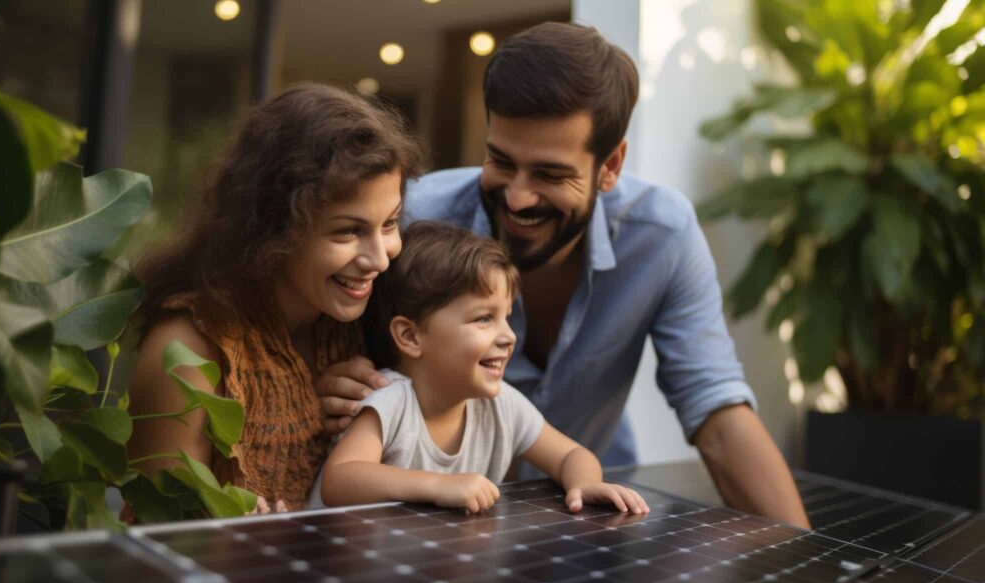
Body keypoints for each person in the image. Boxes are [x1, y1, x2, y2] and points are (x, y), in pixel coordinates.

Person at [316, 23, 810, 528]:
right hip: (424, 528)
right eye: (501, 161)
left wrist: (809, 560)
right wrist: (328, 374)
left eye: (551, 175)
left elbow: (718, 414)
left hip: (582, 524)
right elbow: (318, 339)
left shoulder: (662, 235)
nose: (517, 197)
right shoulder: (410, 222)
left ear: (610, 165)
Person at [127, 83, 421, 514]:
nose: (380, 258)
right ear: (275, 229)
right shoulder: (187, 352)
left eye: (390, 223)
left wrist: (384, 400)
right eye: (348, 231)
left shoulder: (367, 321)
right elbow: (155, 539)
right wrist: (228, 539)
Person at [320, 221, 648, 516]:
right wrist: (437, 485)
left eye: (506, 316)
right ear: (410, 336)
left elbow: (571, 455)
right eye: (484, 318)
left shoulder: (502, 405)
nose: (508, 336)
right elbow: (341, 478)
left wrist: (584, 483)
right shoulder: (392, 401)